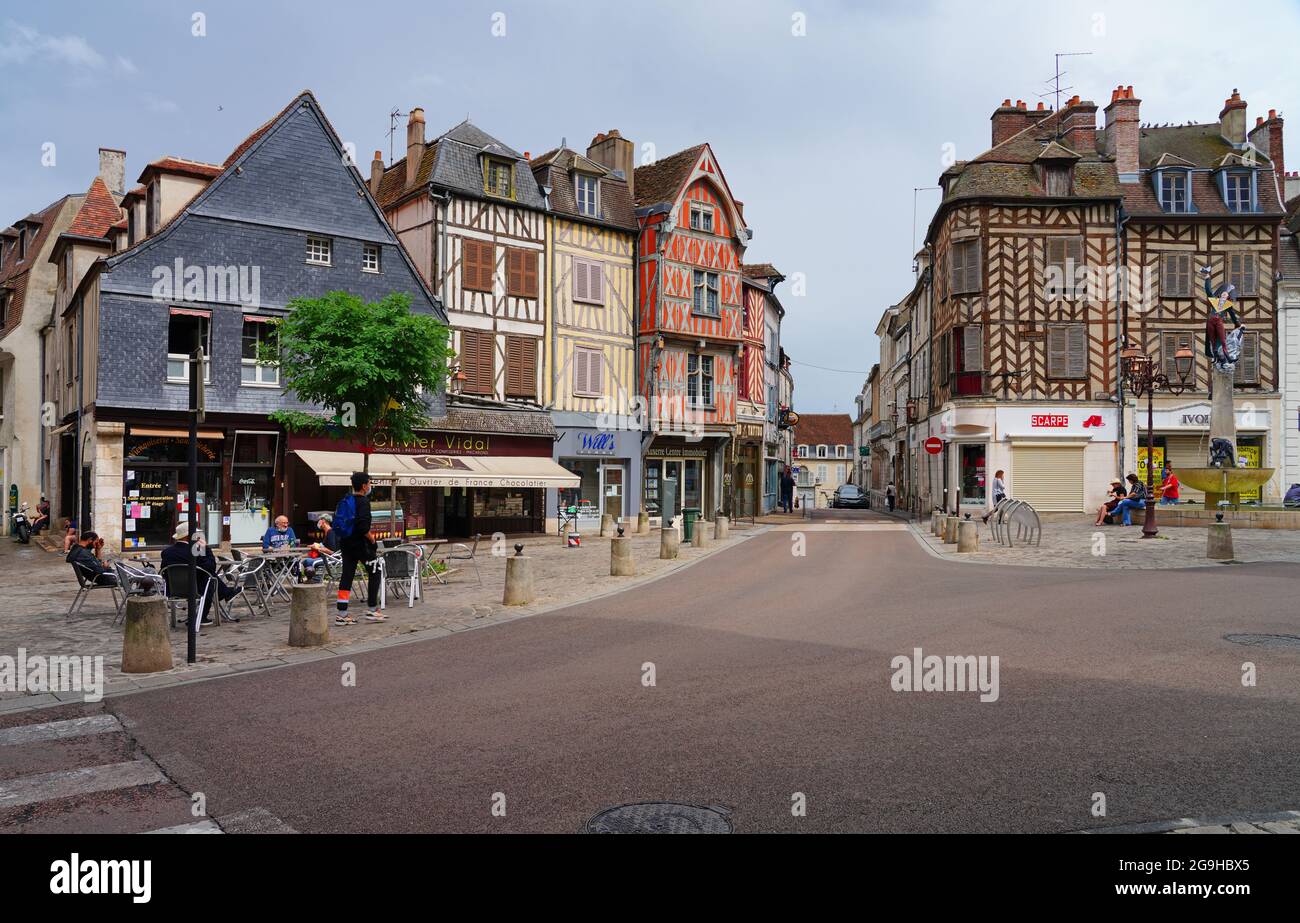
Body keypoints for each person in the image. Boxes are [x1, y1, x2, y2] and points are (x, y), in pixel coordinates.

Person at [332, 472, 385, 625]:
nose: (370, 486)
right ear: (363, 486)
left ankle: (342, 613)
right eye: (369, 483)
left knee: (347, 575)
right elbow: (363, 527)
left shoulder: (346, 499)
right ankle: (372, 609)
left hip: (346, 542)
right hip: (360, 544)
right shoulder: (363, 502)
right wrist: (373, 540)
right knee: (376, 570)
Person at [161, 523, 238, 626]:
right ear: (188, 536)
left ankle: (226, 592)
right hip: (196, 589)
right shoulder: (195, 550)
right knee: (210, 579)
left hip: (174, 589)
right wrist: (206, 549)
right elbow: (210, 567)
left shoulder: (167, 552)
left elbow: (163, 570)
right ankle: (204, 614)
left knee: (208, 576)